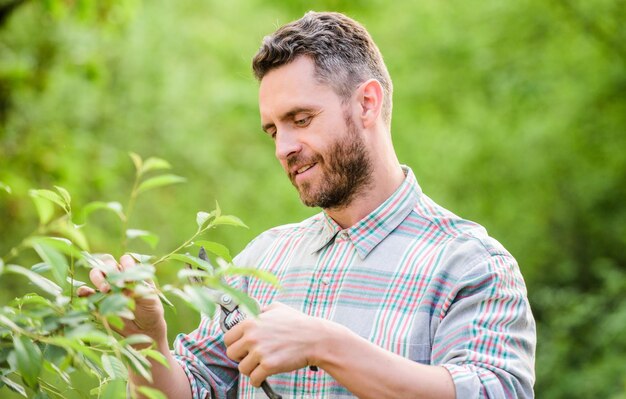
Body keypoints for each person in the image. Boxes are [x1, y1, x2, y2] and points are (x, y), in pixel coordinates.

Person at [79, 11, 536, 399]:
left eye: (301, 119)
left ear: (367, 104)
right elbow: (193, 388)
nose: (284, 148)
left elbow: (494, 389)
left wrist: (326, 345)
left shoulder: (471, 263)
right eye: (275, 130)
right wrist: (144, 338)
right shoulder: (262, 259)